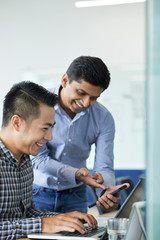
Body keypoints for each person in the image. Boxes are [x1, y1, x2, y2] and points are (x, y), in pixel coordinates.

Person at [0, 81, 101, 239]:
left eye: (51, 128)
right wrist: (42, 224)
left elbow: (27, 213)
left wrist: (63, 218)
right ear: (16, 122)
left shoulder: (25, 160)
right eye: (44, 128)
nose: (49, 137)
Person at [31, 56, 129, 214]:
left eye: (93, 98)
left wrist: (105, 193)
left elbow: (103, 166)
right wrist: (76, 174)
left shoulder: (103, 118)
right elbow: (38, 158)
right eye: (81, 93)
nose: (85, 103)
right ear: (65, 80)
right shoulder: (38, 105)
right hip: (37, 194)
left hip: (76, 196)